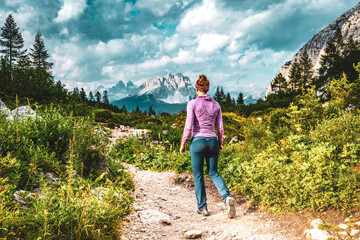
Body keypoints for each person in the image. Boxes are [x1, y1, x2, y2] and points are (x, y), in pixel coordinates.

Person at [180, 74, 236, 218]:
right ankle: (226, 197)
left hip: (197, 141)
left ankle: (203, 208)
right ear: (207, 88)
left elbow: (189, 125)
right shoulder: (216, 104)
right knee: (213, 172)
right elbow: (220, 127)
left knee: (198, 174)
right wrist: (220, 143)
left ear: (197, 89)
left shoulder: (192, 104)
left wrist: (183, 142)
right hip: (212, 141)